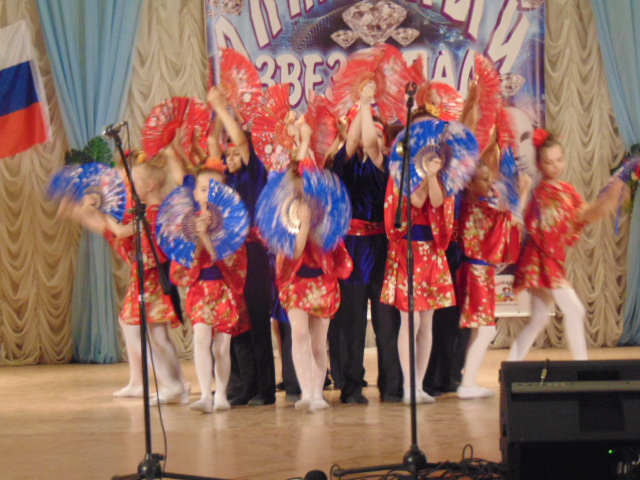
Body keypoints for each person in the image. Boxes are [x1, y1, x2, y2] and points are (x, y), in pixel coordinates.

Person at [60, 158, 188, 403]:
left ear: (149, 185)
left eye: (134, 181)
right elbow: (115, 231)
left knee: (151, 335)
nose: (129, 186)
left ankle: (172, 383)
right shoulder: (149, 211)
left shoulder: (153, 213)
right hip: (146, 276)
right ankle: (175, 385)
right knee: (154, 335)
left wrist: (100, 209)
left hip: (150, 277)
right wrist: (84, 211)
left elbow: (120, 231)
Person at [328, 81, 403, 404]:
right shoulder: (344, 165)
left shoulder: (385, 165)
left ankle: (392, 386)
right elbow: (355, 142)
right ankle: (352, 387)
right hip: (352, 250)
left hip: (381, 248)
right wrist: (362, 104)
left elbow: (370, 143)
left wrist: (366, 103)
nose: (370, 138)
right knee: (352, 324)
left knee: (386, 323)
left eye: (378, 134)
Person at [271, 121, 353, 412]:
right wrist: (302, 225)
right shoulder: (285, 213)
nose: (302, 192)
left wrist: (304, 140)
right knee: (299, 333)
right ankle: (306, 391)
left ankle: (317, 392)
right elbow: (293, 252)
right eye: (297, 189)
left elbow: (326, 246)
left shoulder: (326, 211)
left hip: (322, 281)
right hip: (295, 281)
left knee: (319, 342)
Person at [206, 86, 276, 407]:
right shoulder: (224, 181)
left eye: (236, 153)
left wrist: (224, 108)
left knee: (258, 322)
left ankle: (265, 389)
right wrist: (216, 114)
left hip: (254, 254)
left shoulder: (253, 173)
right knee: (235, 323)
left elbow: (243, 143)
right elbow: (213, 145)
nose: (231, 157)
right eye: (228, 154)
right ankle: (241, 386)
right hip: (229, 257)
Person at [508, 129, 602, 361]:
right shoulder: (540, 194)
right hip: (540, 260)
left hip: (552, 259)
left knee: (539, 319)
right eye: (549, 162)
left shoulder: (568, 190)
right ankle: (582, 366)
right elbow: (539, 227)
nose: (555, 166)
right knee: (575, 310)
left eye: (559, 160)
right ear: (539, 165)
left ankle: (511, 364)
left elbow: (583, 214)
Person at [381, 121, 456, 405]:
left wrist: (434, 175)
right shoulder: (402, 171)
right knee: (409, 321)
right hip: (408, 250)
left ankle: (419, 384)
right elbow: (415, 200)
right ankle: (408, 385)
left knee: (427, 323)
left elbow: (437, 202)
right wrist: (426, 174)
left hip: (431, 251)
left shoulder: (438, 172)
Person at [170, 159, 249, 413]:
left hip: (224, 289)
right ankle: (205, 394)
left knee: (222, 346)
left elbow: (228, 259)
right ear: (195, 193)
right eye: (203, 189)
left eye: (215, 190)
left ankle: (221, 394)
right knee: (201, 338)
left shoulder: (232, 223)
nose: (208, 194)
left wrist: (206, 235)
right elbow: (186, 261)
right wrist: (197, 237)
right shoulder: (187, 223)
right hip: (200, 289)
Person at [456, 161, 530, 399]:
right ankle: (467, 383)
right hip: (477, 273)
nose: (490, 184)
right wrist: (523, 193)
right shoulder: (476, 209)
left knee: (480, 331)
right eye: (485, 180)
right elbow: (509, 222)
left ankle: (467, 380)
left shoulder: (476, 206)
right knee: (486, 331)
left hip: (480, 273)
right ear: (470, 184)